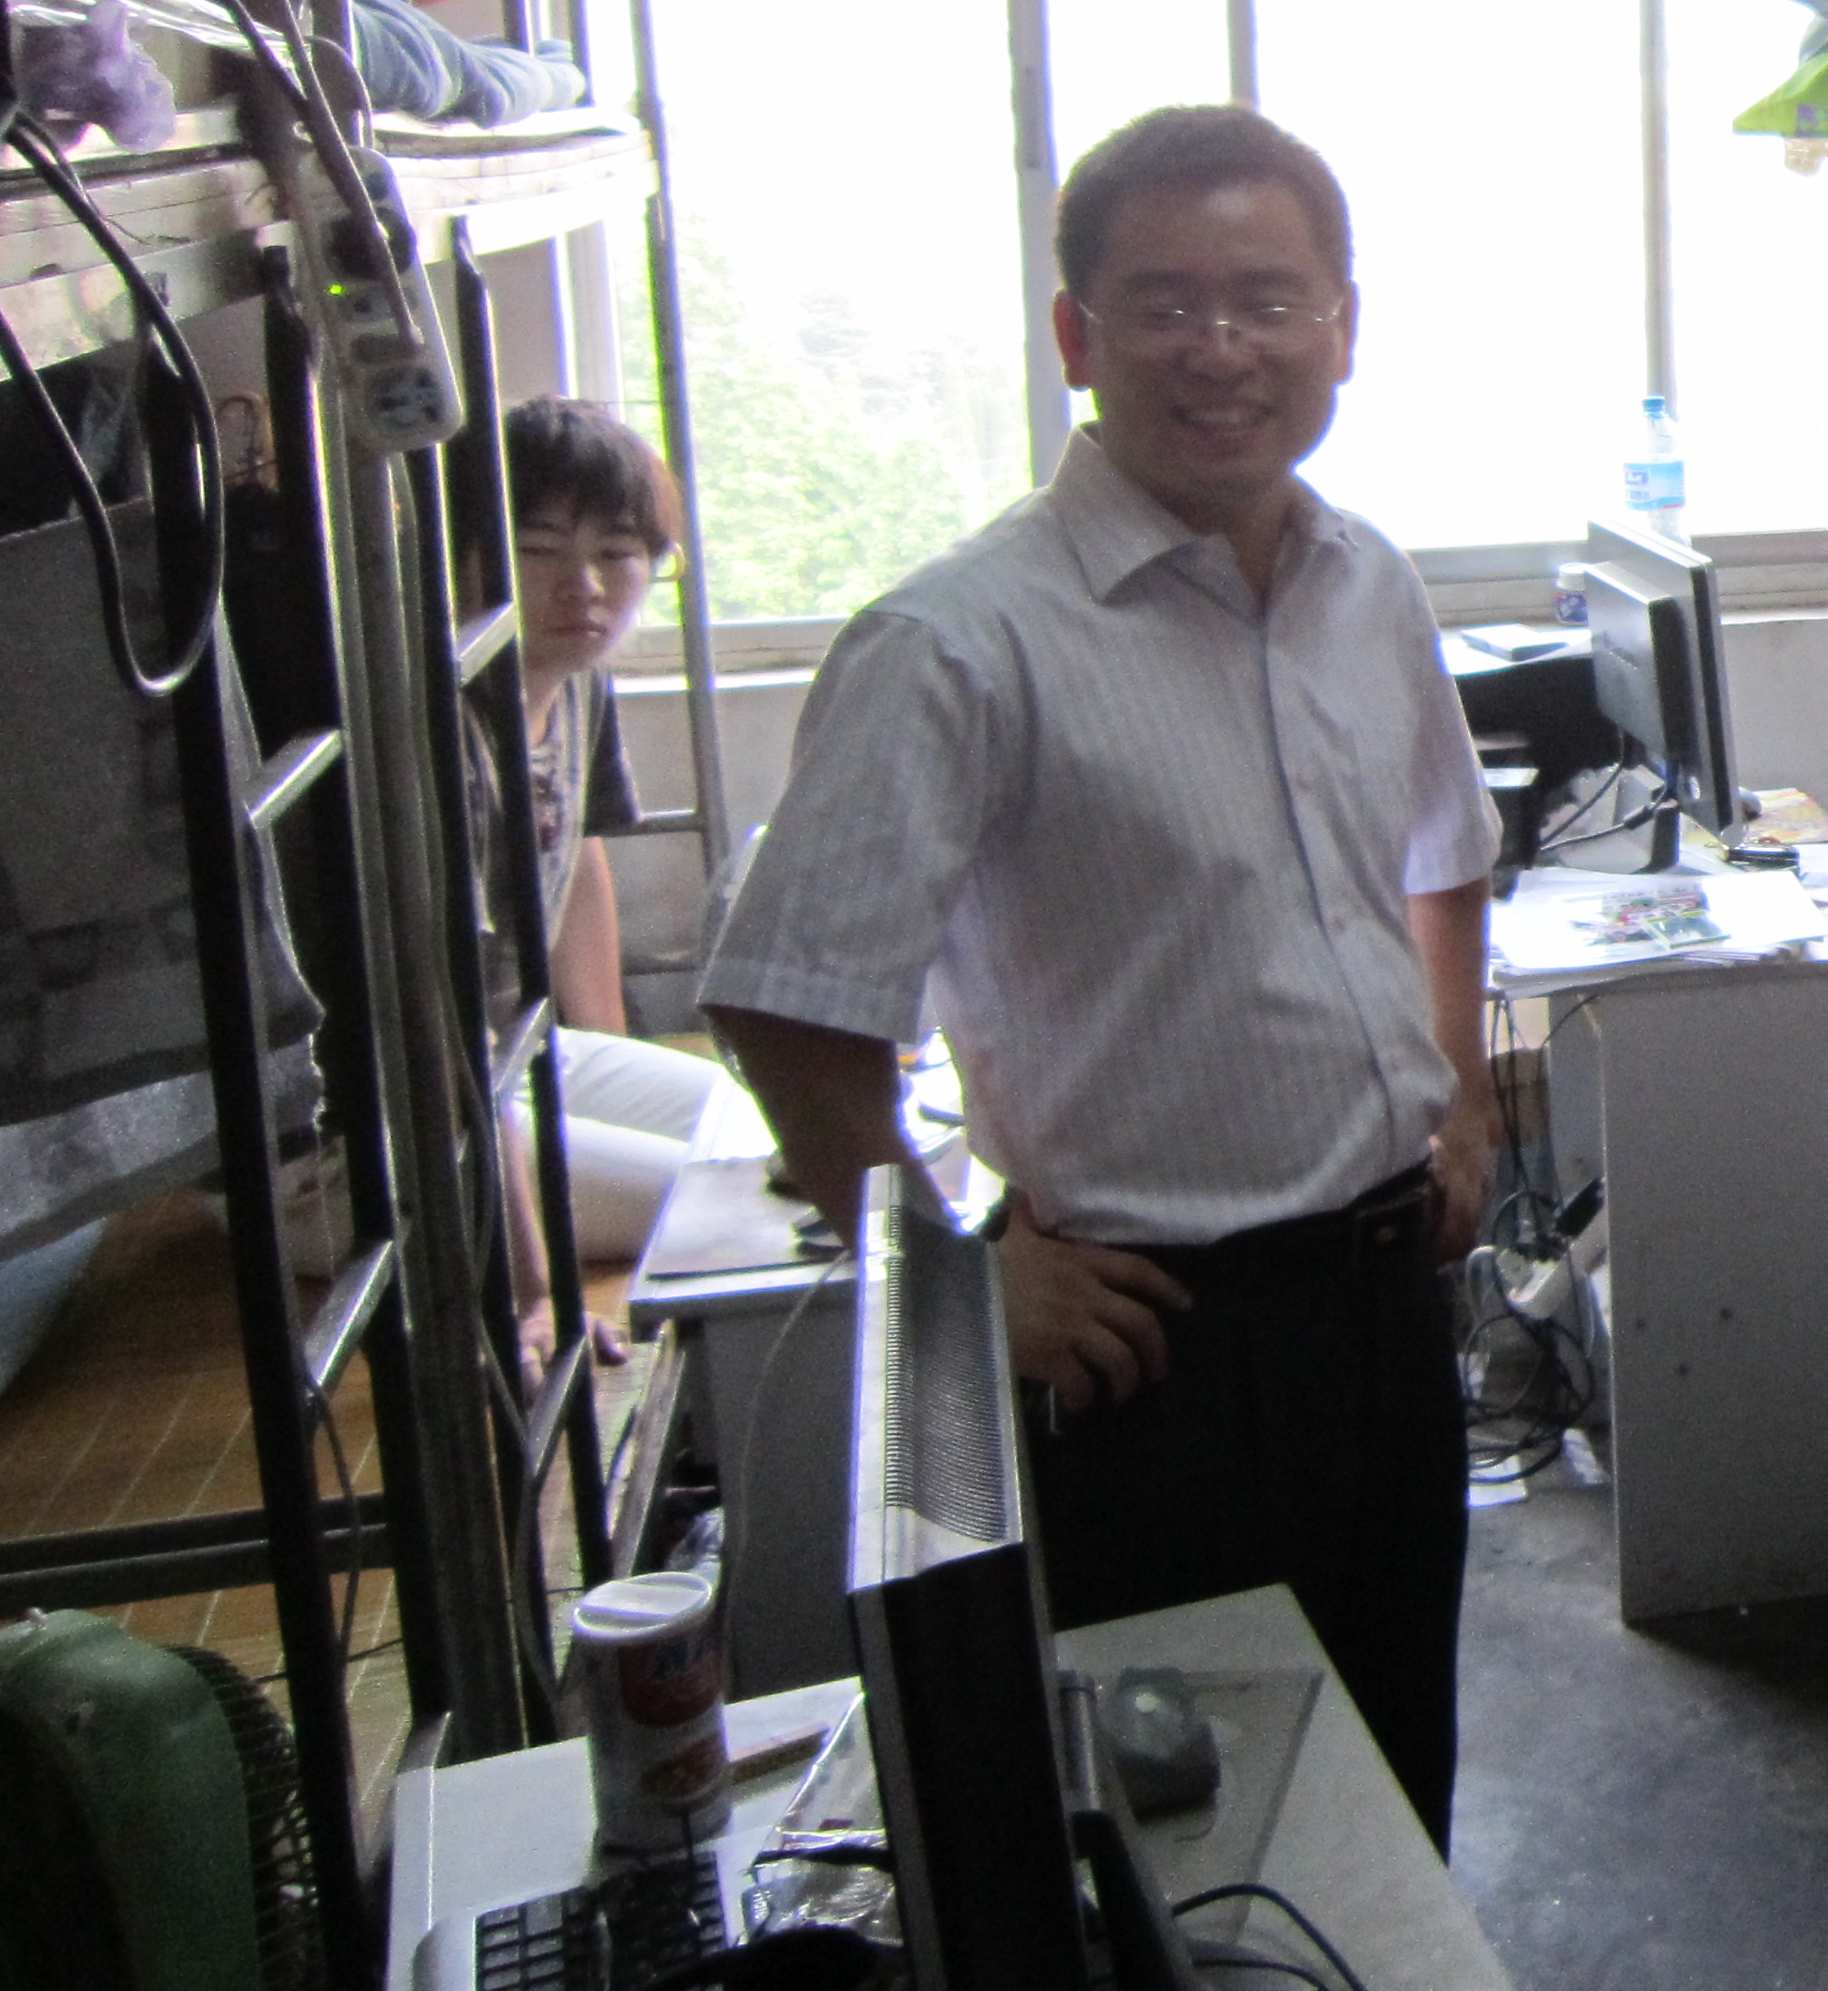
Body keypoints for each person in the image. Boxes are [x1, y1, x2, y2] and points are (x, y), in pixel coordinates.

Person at [701, 105, 1501, 1841]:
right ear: (1077, 335)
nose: (1223, 350)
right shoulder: (958, 642)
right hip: (1153, 1359)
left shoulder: (1368, 585)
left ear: (1343, 327)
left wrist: (1463, 1097)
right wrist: (953, 1284)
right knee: (1193, 1836)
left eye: (1269, 301)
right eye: (1166, 304)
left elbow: (1447, 851)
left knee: (1393, 1796)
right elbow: (785, 1001)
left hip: (1386, 1319)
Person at [493, 399, 768, 1271]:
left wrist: (605, 1067)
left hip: (516, 1061)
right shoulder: (441, 723)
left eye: (616, 553)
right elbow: (438, 1029)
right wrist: (534, 1288)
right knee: (731, 1205)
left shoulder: (577, 678)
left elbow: (575, 863)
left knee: (754, 1130)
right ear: (465, 557)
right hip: (375, 1128)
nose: (584, 586)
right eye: (538, 548)